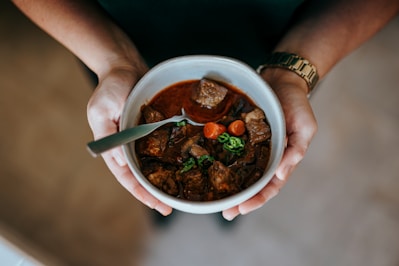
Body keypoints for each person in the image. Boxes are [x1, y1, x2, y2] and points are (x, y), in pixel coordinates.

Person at [12, 0, 399, 221]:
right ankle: (166, 216)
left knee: (236, 201)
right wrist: (112, 60)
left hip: (274, 50)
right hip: (118, 38)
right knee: (154, 196)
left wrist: (296, 71)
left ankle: (219, 218)